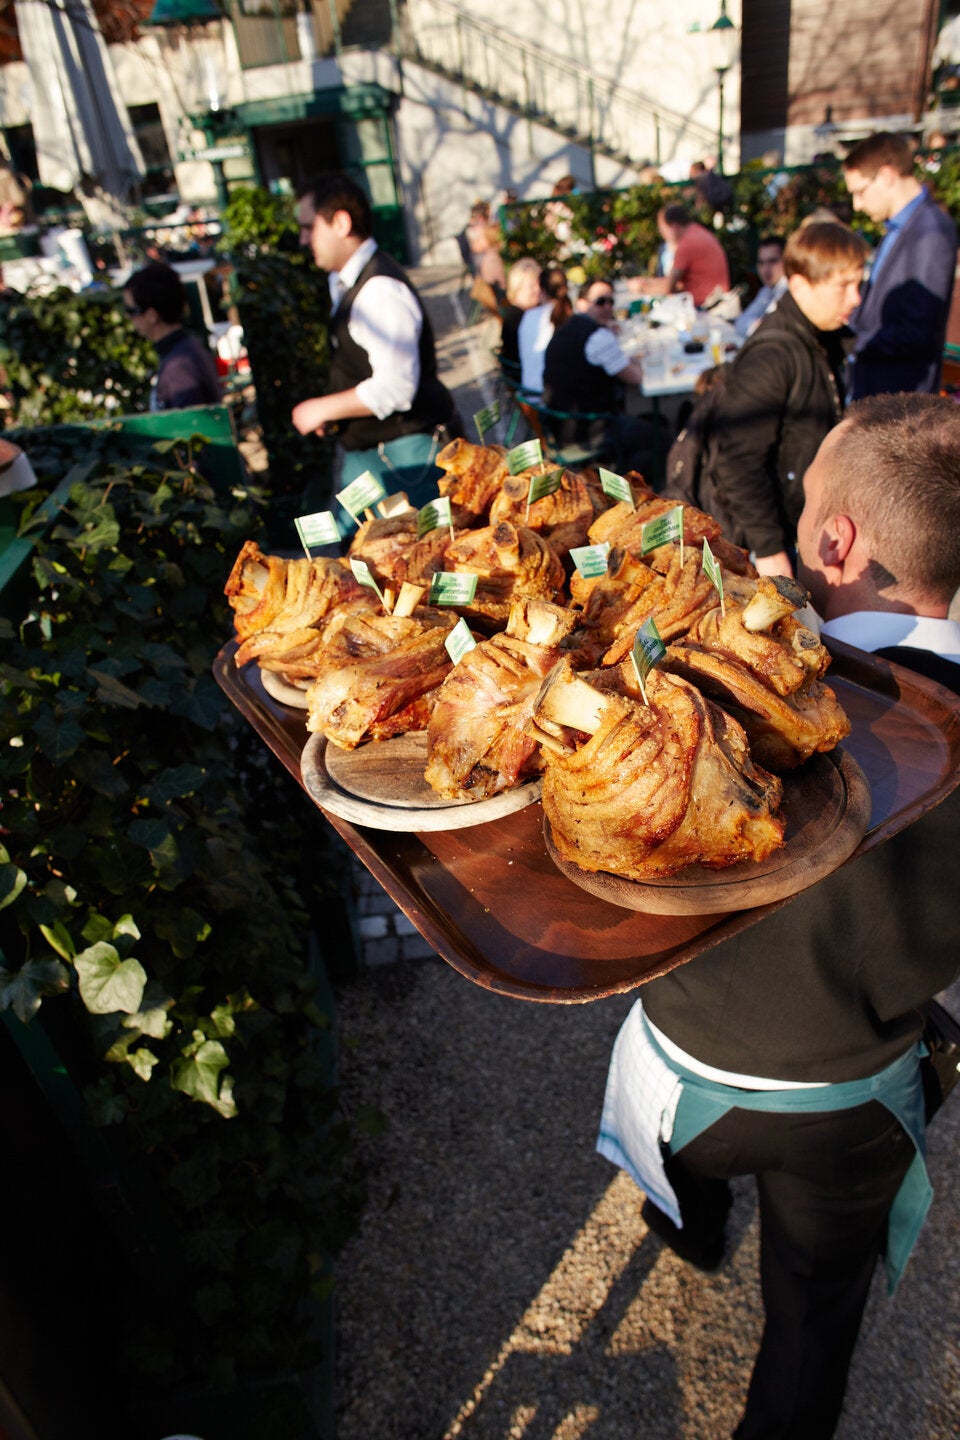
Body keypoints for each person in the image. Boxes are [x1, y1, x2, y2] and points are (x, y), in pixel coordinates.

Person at [598, 391, 960, 1440]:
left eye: (807, 508)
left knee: (688, 1193)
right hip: (857, 1093)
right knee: (810, 1328)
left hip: (683, 1072)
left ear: (836, 540)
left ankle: (692, 1232)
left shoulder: (685, 683)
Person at [691, 220, 868, 578]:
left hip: (801, 520)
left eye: (859, 283)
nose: (856, 298)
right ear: (801, 284)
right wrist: (769, 549)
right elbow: (738, 462)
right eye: (843, 286)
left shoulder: (827, 336)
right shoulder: (773, 356)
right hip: (771, 536)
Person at [291, 172, 458, 505]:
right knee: (354, 548)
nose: (303, 239)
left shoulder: (379, 291)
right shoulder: (346, 281)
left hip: (405, 452)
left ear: (340, 223)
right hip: (370, 449)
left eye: (309, 227)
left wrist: (321, 408)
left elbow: (396, 388)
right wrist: (335, 413)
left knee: (408, 553)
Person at [842, 131, 958, 399]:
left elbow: (917, 332)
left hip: (899, 397)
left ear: (886, 175)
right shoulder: (899, 226)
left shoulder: (930, 232)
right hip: (877, 387)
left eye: (860, 192)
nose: (856, 205)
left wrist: (855, 343)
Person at [541, 276, 653, 472]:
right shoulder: (598, 337)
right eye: (601, 301)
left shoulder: (565, 329)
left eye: (611, 301)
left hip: (559, 427)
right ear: (582, 303)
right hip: (591, 431)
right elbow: (637, 378)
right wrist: (635, 361)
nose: (608, 307)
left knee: (645, 426)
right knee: (659, 436)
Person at [123, 261, 222, 412]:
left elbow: (191, 428)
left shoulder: (179, 365)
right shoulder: (184, 350)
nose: (128, 317)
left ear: (151, 315)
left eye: (131, 311)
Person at [637, 204, 731, 307]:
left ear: (674, 227)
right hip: (715, 302)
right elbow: (676, 283)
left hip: (705, 307)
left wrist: (641, 288)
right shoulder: (696, 232)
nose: (662, 234)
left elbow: (668, 288)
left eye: (663, 229)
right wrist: (647, 282)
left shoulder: (687, 244)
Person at [517, 264, 572, 395]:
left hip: (529, 389)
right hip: (548, 397)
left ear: (542, 290)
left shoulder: (529, 315)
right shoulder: (566, 320)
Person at [734, 234, 787, 337]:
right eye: (761, 263)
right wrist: (757, 325)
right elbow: (740, 322)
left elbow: (768, 331)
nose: (766, 269)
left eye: (772, 261)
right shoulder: (767, 290)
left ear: (785, 261)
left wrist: (758, 326)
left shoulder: (788, 291)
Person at [498, 257, 541, 376]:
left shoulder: (517, 312)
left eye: (539, 285)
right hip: (523, 374)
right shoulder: (520, 319)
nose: (537, 290)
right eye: (531, 286)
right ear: (518, 288)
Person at [464, 200, 507, 297]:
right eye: (488, 215)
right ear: (481, 217)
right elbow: (479, 247)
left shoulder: (483, 228)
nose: (490, 217)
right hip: (482, 268)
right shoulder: (476, 229)